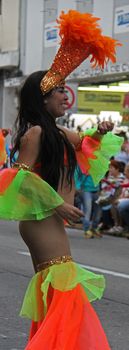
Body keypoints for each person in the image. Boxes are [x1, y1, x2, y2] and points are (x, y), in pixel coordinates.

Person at [0, 9, 123, 350]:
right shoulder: (35, 132)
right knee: (65, 283)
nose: (64, 98)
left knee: (58, 290)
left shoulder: (57, 132)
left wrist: (99, 132)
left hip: (49, 217)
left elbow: (88, 147)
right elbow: (18, 179)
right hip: (41, 220)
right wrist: (60, 206)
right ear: (43, 98)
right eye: (59, 94)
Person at [74, 166, 102, 238]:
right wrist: (77, 187)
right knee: (87, 210)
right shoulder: (82, 163)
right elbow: (76, 175)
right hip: (85, 190)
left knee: (98, 211)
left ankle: (94, 228)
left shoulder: (98, 162)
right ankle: (86, 230)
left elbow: (101, 176)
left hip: (97, 190)